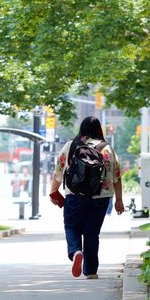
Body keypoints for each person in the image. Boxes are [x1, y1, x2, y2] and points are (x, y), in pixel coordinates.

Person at [49, 116, 125, 279]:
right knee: (92, 233)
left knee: (71, 227)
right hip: (100, 197)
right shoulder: (107, 149)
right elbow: (116, 177)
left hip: (74, 195)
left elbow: (59, 171)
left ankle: (76, 251)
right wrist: (119, 200)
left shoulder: (71, 145)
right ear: (99, 130)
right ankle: (90, 271)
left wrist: (54, 192)